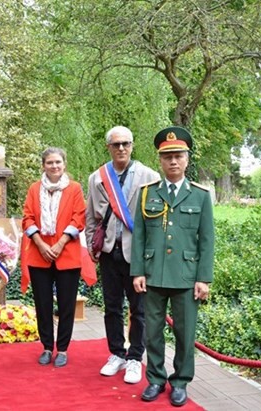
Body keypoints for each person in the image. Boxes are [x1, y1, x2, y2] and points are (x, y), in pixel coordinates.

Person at [131, 126, 214, 407]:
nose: (173, 162)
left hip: (186, 277)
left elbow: (206, 241)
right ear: (160, 160)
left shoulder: (200, 196)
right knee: (151, 332)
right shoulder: (146, 194)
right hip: (153, 275)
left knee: (184, 332)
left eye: (178, 156)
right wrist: (138, 271)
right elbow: (139, 237)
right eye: (168, 157)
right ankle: (155, 378)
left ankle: (180, 382)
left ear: (187, 159)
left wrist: (204, 279)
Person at [84, 126, 160, 383]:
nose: (121, 148)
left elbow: (157, 220)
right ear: (108, 147)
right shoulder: (97, 177)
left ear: (132, 145)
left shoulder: (149, 176)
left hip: (136, 255)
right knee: (112, 307)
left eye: (125, 143)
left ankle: (135, 358)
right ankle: (116, 353)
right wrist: (91, 247)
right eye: (116, 144)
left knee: (138, 310)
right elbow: (91, 216)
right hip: (108, 252)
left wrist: (151, 255)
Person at [21, 147, 86, 368]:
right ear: (43, 165)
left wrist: (59, 244)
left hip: (66, 254)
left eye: (58, 162)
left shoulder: (74, 188)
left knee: (67, 305)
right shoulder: (34, 189)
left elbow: (79, 219)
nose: (54, 166)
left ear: (64, 164)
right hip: (40, 256)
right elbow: (27, 219)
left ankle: (64, 349)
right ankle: (47, 347)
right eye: (49, 163)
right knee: (43, 304)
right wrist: (40, 244)